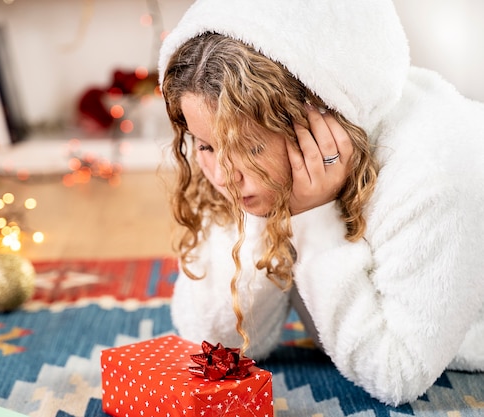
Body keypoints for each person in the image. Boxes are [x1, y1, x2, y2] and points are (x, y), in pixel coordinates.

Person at [156, 0, 484, 406]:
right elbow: (216, 342)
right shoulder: (240, 170)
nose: (222, 176)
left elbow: (397, 374)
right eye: (205, 145)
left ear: (320, 121)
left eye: (249, 146)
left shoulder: (435, 177)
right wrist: (270, 213)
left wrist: (315, 217)